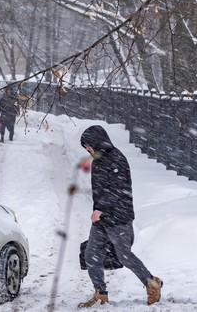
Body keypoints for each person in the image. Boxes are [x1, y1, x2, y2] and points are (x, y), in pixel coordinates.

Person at [78, 125, 162, 308]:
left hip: (119, 217)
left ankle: (152, 283)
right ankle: (100, 294)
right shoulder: (98, 159)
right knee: (91, 254)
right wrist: (99, 210)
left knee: (124, 256)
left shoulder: (116, 159)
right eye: (85, 147)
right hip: (102, 220)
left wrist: (101, 209)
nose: (87, 149)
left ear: (96, 142)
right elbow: (101, 189)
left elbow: (117, 190)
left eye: (88, 145)